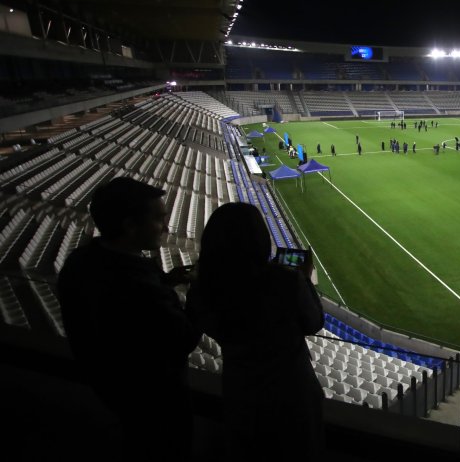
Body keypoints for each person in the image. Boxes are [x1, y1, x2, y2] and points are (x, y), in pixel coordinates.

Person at [58, 178, 199, 462]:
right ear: (130, 226)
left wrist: (166, 280)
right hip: (153, 400)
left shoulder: (80, 261)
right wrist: (199, 290)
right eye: (158, 219)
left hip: (109, 387)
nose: (166, 228)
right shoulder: (136, 285)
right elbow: (184, 337)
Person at [187, 203, 324, 461]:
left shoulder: (202, 290)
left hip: (240, 390)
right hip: (291, 393)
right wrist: (304, 279)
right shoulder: (284, 281)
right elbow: (314, 322)